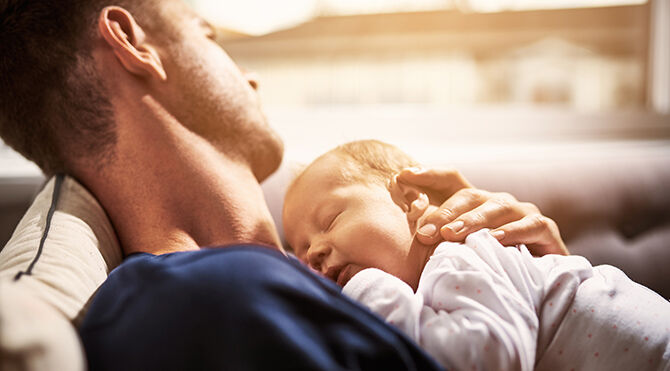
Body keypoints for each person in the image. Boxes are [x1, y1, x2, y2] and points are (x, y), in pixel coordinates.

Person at [1, 0, 568, 369]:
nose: (250, 76)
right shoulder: (203, 302)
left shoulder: (335, 267)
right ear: (132, 42)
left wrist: (545, 290)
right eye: (211, 35)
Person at [282, 139, 670, 371]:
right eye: (299, 250)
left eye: (330, 220)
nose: (313, 252)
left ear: (411, 201)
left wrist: (367, 288)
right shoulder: (433, 294)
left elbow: (488, 360)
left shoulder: (462, 253)